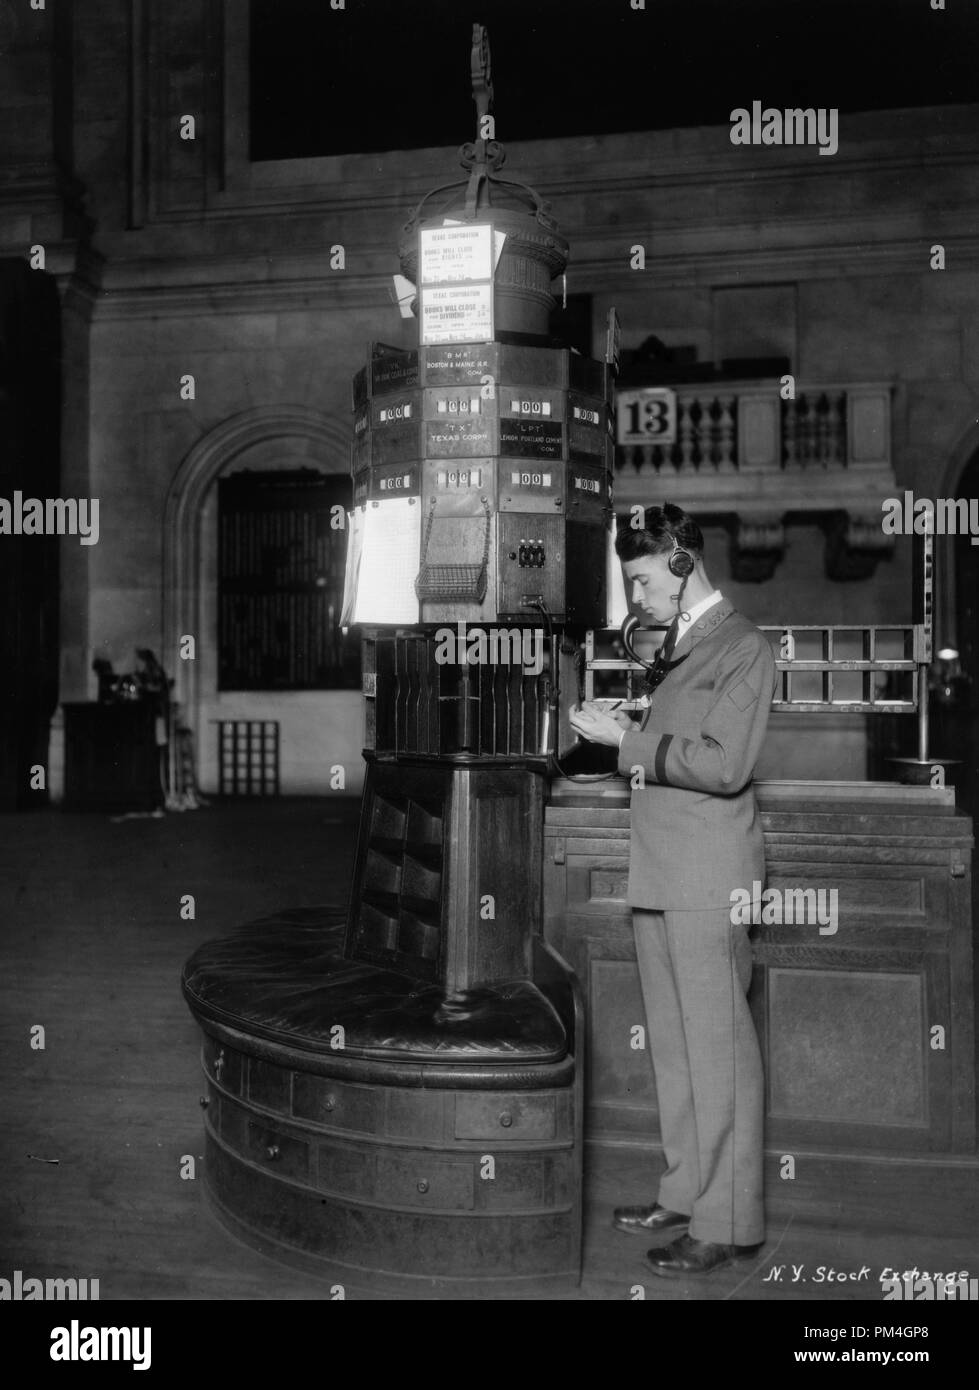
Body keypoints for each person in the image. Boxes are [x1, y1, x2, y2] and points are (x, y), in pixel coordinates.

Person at [569, 503, 777, 1277]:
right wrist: (626, 727)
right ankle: (686, 1192)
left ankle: (728, 1221)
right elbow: (677, 746)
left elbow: (724, 766)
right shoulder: (684, 649)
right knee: (679, 1053)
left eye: (643, 580)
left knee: (717, 1051)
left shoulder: (742, 647)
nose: (637, 599)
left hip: (706, 877)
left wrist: (628, 740)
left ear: (683, 565)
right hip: (663, 871)